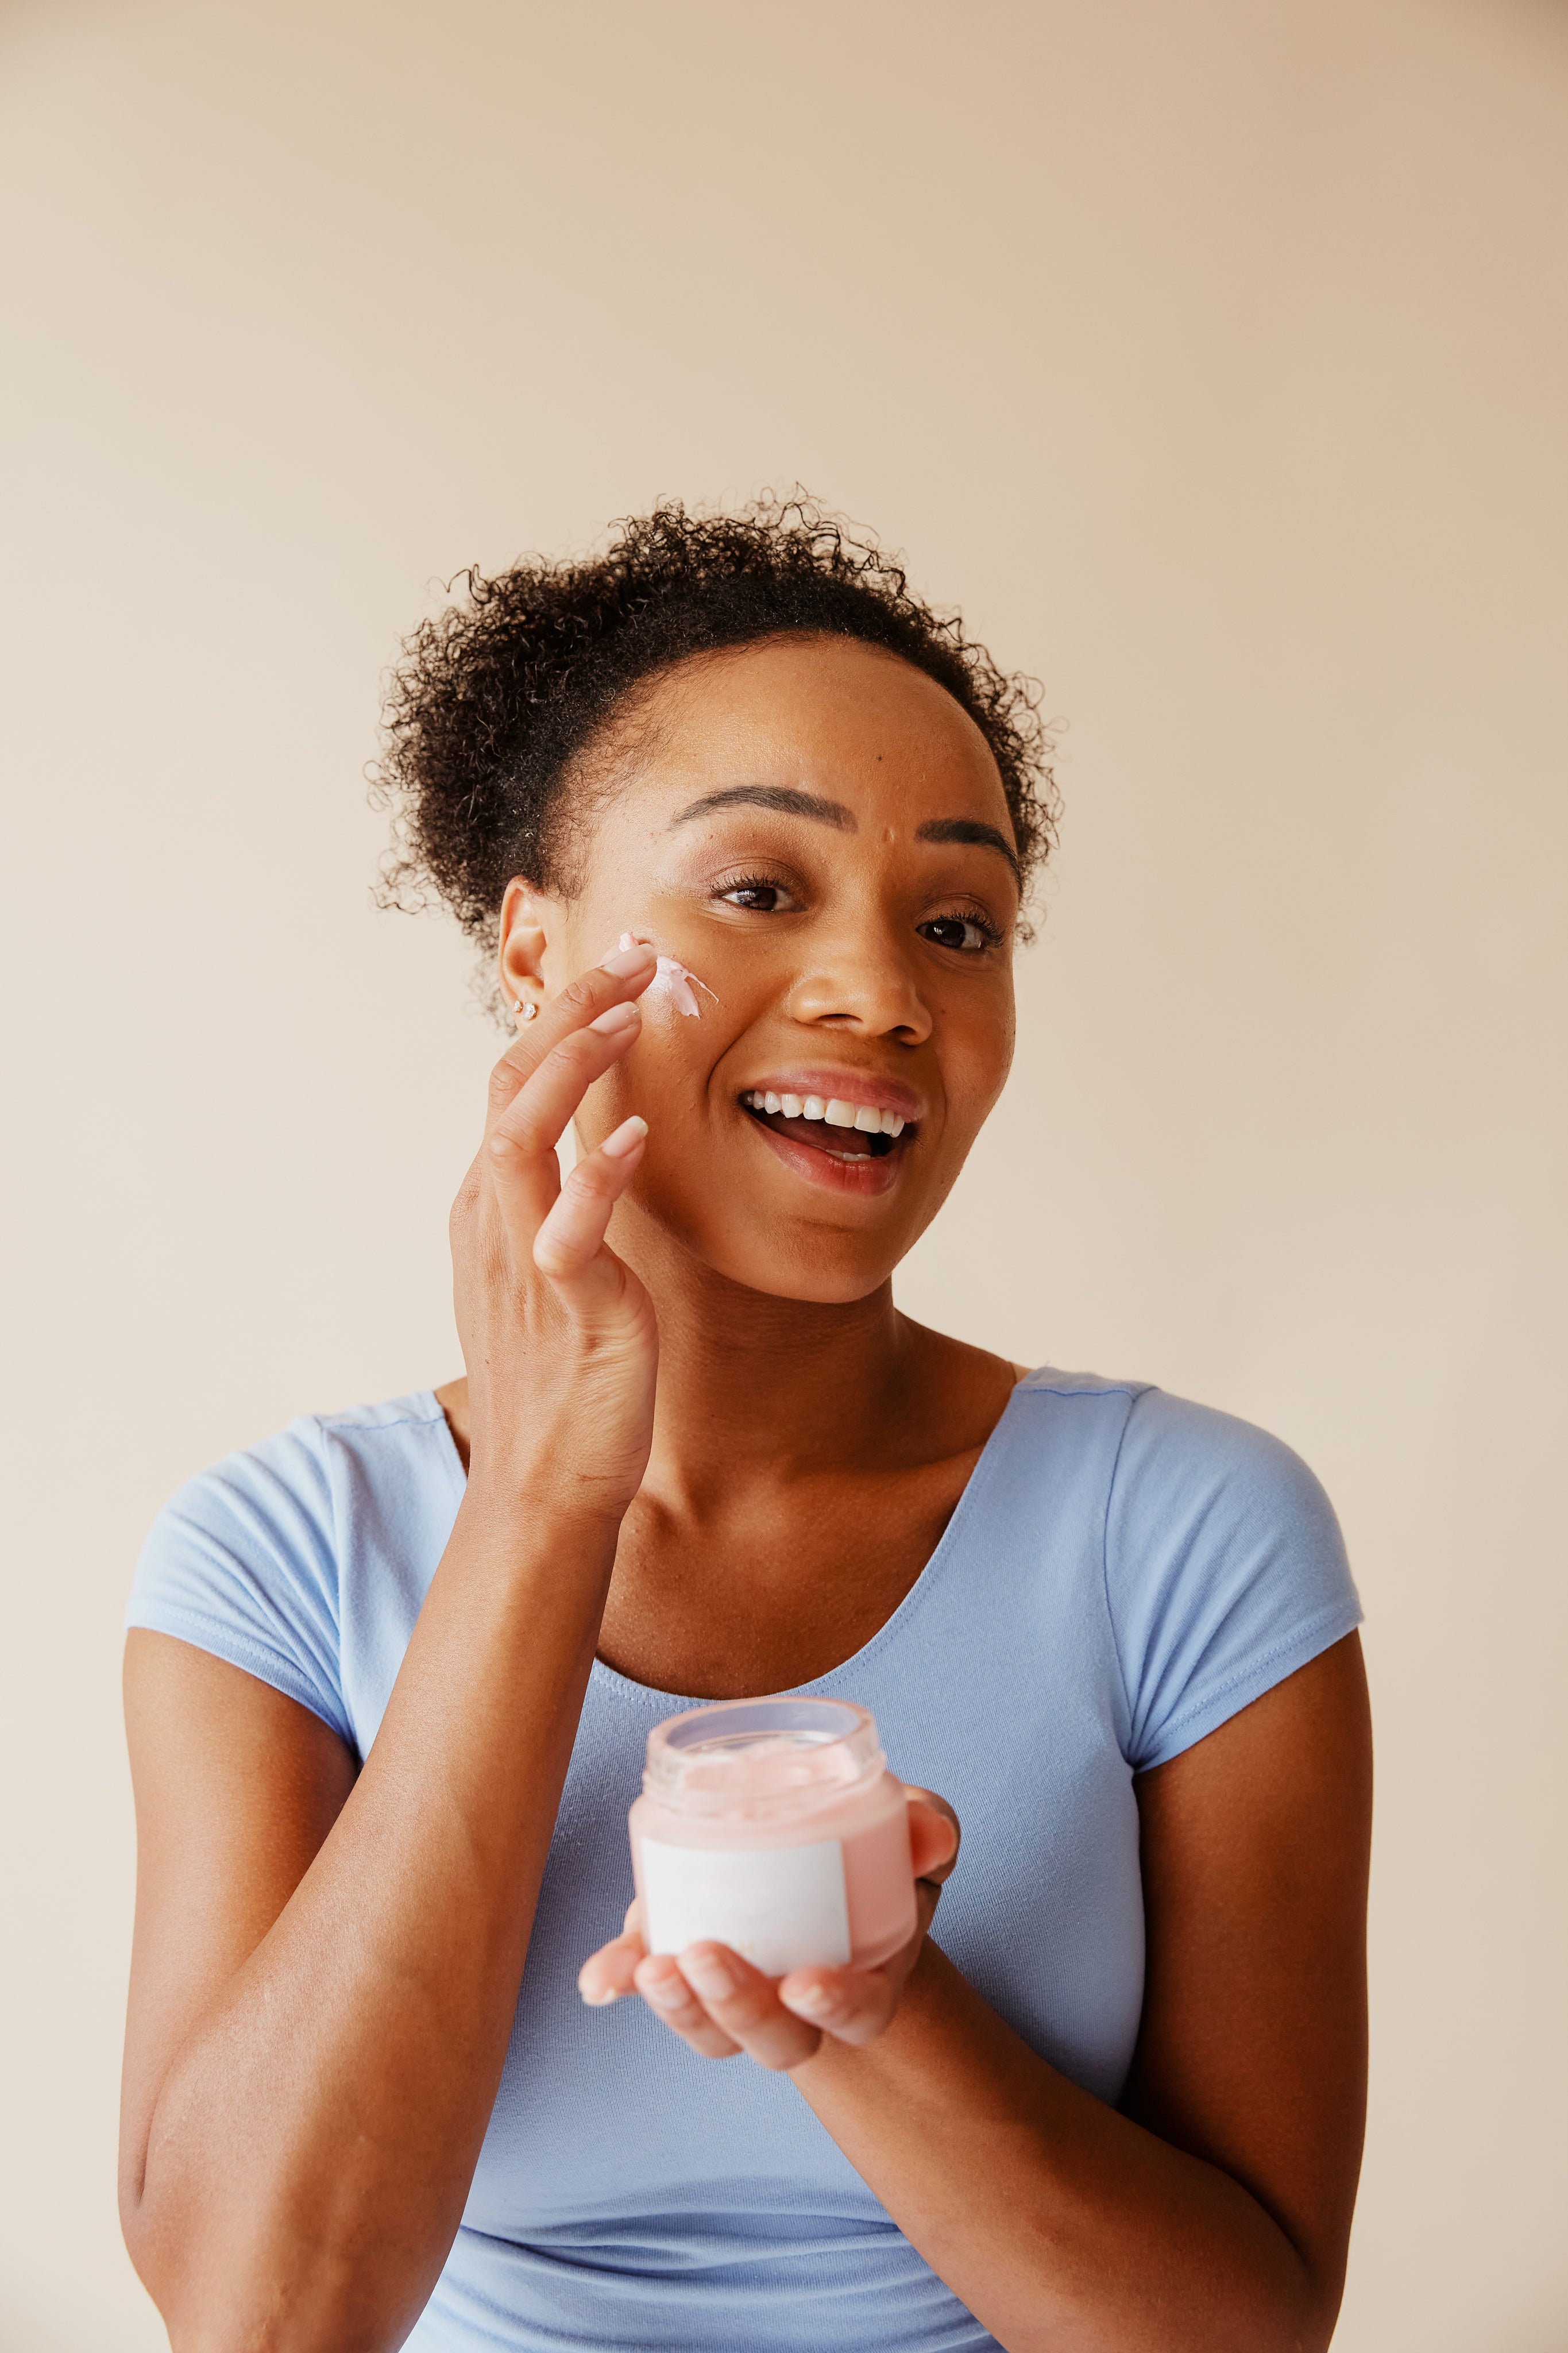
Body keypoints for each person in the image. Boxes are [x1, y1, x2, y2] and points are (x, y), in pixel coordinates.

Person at [119, 499, 1371, 2353]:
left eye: (961, 921)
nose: (882, 995)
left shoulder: (1182, 1530)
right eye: (758, 891)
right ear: (537, 959)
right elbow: (265, 2315)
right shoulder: (282, 1556)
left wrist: (873, 2010)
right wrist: (545, 1503)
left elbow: (1240, 2334)